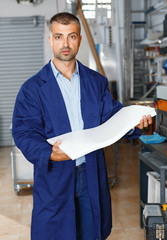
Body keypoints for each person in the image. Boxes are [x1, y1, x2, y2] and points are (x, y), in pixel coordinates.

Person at [12, 12, 152, 240]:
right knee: (56, 233)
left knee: (91, 232)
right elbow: (24, 131)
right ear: (50, 40)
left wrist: (134, 122)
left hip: (91, 173)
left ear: (79, 39)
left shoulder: (95, 82)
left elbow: (111, 116)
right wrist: (48, 153)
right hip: (55, 175)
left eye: (72, 36)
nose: (65, 44)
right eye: (59, 37)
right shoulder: (32, 88)